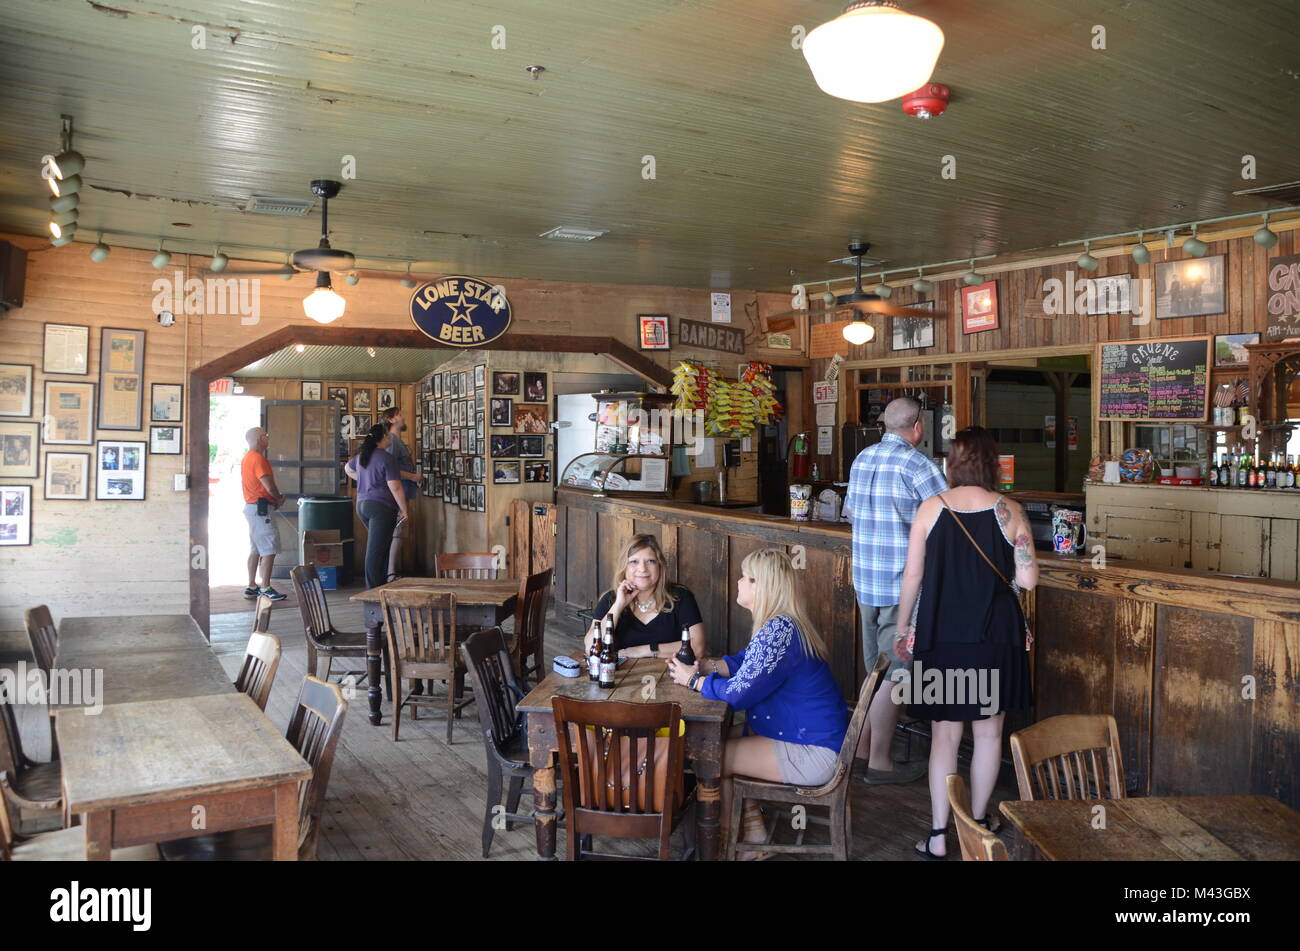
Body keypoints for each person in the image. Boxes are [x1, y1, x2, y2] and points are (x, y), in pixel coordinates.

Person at [893, 426, 1038, 859]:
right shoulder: (1009, 510)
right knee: (989, 735)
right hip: (994, 636)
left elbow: (913, 577)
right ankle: (975, 827)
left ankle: (938, 835)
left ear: (951, 465)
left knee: (944, 738)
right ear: (992, 464)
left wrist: (903, 629)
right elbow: (1028, 579)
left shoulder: (930, 509)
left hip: (942, 635)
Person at [667, 548, 847, 859]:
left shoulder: (778, 631)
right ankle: (752, 833)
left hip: (813, 752)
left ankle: (723, 845)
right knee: (710, 741)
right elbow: (747, 664)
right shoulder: (781, 625)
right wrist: (708, 666)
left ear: (762, 586)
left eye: (746, 577)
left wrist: (693, 681)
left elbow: (738, 694)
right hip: (811, 737)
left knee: (708, 757)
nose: (739, 581)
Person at [843, 396, 947, 783]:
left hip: (865, 582)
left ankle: (865, 749)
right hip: (903, 588)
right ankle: (881, 764)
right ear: (918, 426)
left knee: (877, 671)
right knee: (897, 675)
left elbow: (851, 513)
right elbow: (949, 523)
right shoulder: (919, 465)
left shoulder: (863, 459)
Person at [585, 534, 705, 660]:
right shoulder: (611, 600)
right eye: (634, 562)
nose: (642, 569)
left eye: (650, 561)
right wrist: (619, 605)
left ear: (660, 566)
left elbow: (697, 648)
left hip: (672, 675)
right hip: (622, 676)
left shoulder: (680, 596)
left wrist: (644, 650)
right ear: (624, 567)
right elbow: (590, 647)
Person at [346, 424, 410, 589]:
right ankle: (372, 590)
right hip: (381, 508)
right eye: (387, 436)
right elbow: (395, 486)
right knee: (376, 550)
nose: (389, 438)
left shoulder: (362, 456)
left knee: (381, 546)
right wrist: (404, 509)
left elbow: (347, 468)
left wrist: (363, 480)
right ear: (381, 439)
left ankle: (380, 586)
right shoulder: (387, 459)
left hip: (362, 505)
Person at [241, 427, 287, 601]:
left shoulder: (247, 458)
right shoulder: (258, 459)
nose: (268, 438)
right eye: (266, 436)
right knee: (268, 548)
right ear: (261, 438)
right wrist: (278, 498)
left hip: (252, 508)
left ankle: (252, 585)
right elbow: (268, 484)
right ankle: (265, 587)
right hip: (261, 510)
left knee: (255, 549)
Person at [379, 407, 423, 581]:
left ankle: (390, 572)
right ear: (391, 420)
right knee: (397, 532)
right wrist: (414, 476)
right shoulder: (393, 441)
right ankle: (390, 573)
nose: (403, 417)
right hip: (397, 493)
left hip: (403, 492)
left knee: (398, 532)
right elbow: (390, 469)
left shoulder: (395, 441)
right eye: (399, 415)